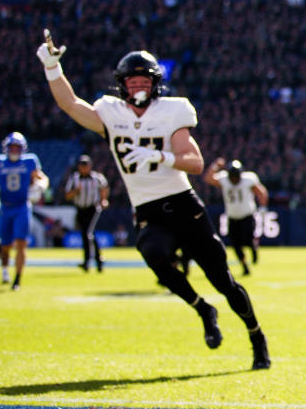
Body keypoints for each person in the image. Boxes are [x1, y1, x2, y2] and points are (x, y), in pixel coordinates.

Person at [35, 38, 270, 370]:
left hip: (183, 204)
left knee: (224, 281)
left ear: (156, 83)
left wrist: (160, 155)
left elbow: (195, 161)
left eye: (145, 81)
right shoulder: (110, 112)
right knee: (153, 253)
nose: (139, 87)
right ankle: (203, 308)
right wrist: (51, 67)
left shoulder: (172, 109)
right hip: (148, 207)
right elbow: (70, 104)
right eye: (133, 82)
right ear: (122, 85)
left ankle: (256, 336)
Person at [0, 132, 49, 290]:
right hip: (5, 207)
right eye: (12, 147)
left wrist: (41, 186)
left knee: (21, 243)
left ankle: (17, 279)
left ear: (22, 148)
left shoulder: (30, 161)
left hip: (22, 206)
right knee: (5, 245)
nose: (14, 150)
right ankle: (5, 271)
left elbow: (42, 177)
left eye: (17, 147)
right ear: (6, 148)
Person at [203, 158, 268, 276]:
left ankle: (253, 248)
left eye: (236, 176)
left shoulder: (248, 179)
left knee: (248, 239)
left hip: (247, 215)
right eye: (231, 176)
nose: (233, 179)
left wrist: (263, 207)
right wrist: (215, 165)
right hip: (232, 217)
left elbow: (261, 191)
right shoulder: (224, 180)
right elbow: (208, 178)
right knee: (236, 245)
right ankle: (245, 266)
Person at [64, 154, 109, 272]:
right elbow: (67, 195)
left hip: (92, 208)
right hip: (80, 208)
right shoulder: (74, 178)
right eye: (82, 165)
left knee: (87, 233)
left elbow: (104, 188)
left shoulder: (97, 178)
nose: (84, 168)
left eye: (86, 165)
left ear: (90, 166)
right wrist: (75, 191)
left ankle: (90, 261)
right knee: (87, 234)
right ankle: (95, 260)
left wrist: (103, 200)